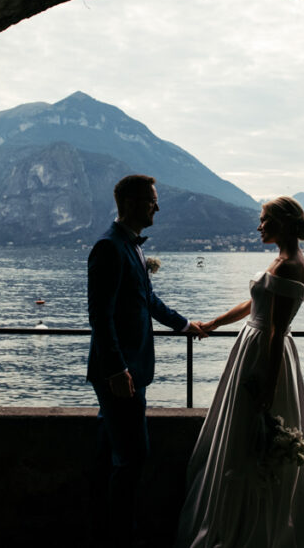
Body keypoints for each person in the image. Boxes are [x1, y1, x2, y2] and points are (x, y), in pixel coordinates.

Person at [174, 196, 304, 547]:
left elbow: (276, 332)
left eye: (264, 219)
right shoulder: (282, 260)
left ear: (280, 222)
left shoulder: (289, 265)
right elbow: (256, 303)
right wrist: (216, 323)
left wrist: (267, 386)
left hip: (265, 354)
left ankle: (253, 527)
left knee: (255, 439)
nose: (259, 225)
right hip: (253, 345)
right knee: (244, 438)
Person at [87, 174, 207, 548]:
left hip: (131, 369)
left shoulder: (131, 247)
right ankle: (122, 536)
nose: (157, 207)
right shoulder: (108, 247)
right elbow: (100, 317)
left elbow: (148, 302)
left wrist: (186, 324)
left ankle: (105, 530)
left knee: (112, 454)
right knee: (135, 457)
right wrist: (117, 369)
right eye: (152, 200)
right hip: (120, 373)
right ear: (132, 202)